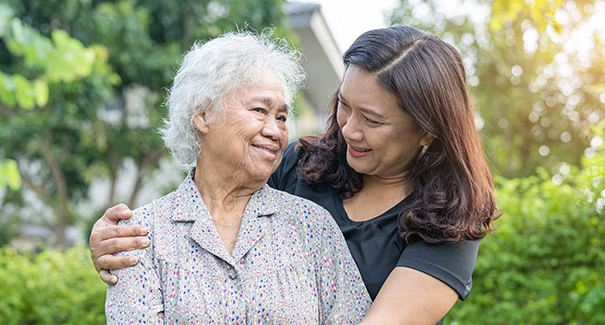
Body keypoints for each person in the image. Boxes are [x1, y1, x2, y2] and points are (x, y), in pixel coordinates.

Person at [93, 25, 499, 324]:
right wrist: (115, 243)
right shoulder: (300, 165)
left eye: (373, 119)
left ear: (426, 130)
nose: (348, 128)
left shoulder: (450, 219)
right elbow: (211, 194)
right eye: (345, 105)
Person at [104, 31, 371, 323]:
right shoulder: (142, 235)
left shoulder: (312, 228)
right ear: (203, 115)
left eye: (281, 118)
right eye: (259, 110)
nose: (274, 131)